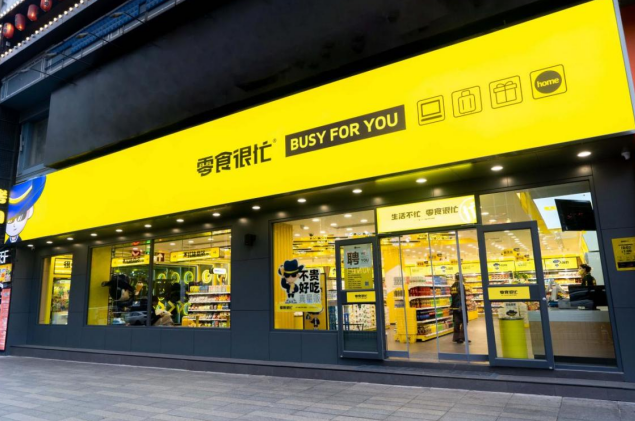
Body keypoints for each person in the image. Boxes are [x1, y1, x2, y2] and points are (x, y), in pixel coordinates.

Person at [450, 273, 471, 344]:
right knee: (464, 322)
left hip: (454, 307)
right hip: (461, 306)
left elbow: (453, 296)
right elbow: (462, 297)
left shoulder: (453, 286)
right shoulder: (461, 285)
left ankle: (456, 338)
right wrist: (463, 305)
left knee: (456, 323)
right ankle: (462, 338)